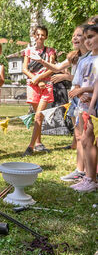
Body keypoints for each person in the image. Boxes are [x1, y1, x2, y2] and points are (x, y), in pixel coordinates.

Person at [30, 25, 89, 181]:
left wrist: (67, 78)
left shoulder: (91, 57)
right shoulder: (73, 56)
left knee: (87, 138)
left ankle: (89, 173)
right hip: (75, 99)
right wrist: (42, 61)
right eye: (74, 35)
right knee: (78, 137)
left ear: (87, 38)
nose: (75, 38)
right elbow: (56, 68)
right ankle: (80, 170)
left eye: (79, 35)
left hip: (87, 99)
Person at [22, 26, 57, 156]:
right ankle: (38, 143)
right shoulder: (28, 51)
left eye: (43, 35)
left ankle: (30, 146)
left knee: (38, 115)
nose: (40, 37)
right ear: (34, 36)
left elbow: (52, 68)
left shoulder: (50, 51)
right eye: (38, 35)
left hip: (46, 85)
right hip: (33, 85)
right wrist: (35, 79)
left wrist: (40, 78)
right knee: (38, 116)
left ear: (46, 37)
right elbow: (25, 69)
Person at [72, 24, 98, 192]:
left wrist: (91, 103)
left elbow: (96, 85)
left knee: (90, 139)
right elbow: (76, 83)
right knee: (84, 139)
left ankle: (91, 178)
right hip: (83, 105)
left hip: (94, 106)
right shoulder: (84, 60)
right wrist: (80, 94)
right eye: (86, 38)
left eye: (91, 37)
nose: (87, 41)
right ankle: (88, 177)